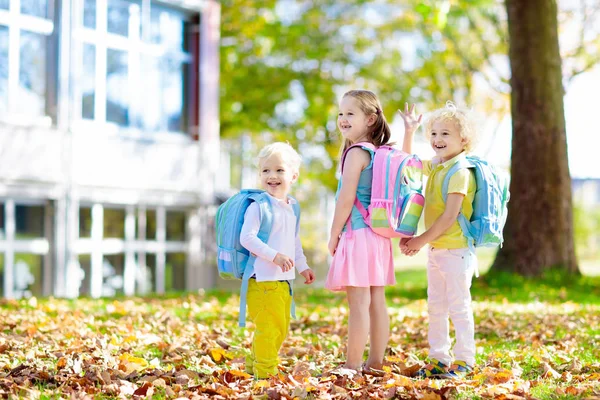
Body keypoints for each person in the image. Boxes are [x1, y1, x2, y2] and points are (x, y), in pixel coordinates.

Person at [398, 101, 479, 379]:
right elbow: (406, 165)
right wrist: (410, 131)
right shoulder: (438, 166)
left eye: (445, 134)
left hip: (456, 251)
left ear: (463, 139)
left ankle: (465, 359)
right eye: (433, 133)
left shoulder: (460, 171)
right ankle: (438, 359)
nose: (437, 139)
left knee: (458, 306)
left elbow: (449, 216)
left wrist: (419, 240)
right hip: (436, 250)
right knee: (436, 307)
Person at [325, 89, 396, 373]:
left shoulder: (355, 153)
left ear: (369, 119)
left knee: (358, 303)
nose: (343, 119)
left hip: (357, 234)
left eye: (350, 113)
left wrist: (333, 234)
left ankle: (352, 365)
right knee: (376, 301)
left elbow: (346, 199)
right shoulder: (378, 152)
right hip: (378, 236)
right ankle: (375, 363)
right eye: (340, 113)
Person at [239, 142, 316, 379]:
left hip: (283, 282)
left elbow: (293, 242)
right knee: (269, 330)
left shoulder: (292, 208)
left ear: (293, 175)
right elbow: (246, 238)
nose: (272, 176)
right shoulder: (259, 206)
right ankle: (264, 375)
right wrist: (274, 256)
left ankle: (254, 363)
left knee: (280, 329)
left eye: (279, 170)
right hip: (261, 281)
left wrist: (302, 266)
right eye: (265, 171)